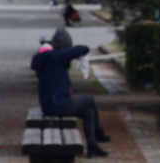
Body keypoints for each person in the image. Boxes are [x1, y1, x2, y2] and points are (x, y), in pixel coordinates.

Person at [31, 28, 111, 157]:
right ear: (63, 47)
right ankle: (99, 133)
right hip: (57, 105)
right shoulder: (56, 56)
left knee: (89, 112)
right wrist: (69, 51)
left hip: (51, 103)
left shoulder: (46, 56)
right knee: (90, 100)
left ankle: (92, 147)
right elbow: (83, 48)